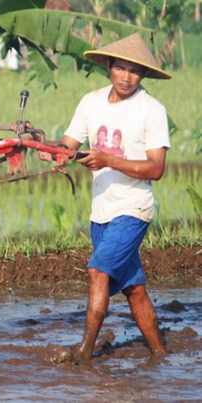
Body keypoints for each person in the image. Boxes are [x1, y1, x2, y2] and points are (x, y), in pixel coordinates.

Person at [58, 33, 171, 362]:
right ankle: (160, 354)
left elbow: (156, 168)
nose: (126, 77)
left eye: (134, 71)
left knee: (97, 271)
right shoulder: (90, 102)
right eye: (120, 68)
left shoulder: (152, 110)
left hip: (133, 209)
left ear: (144, 74)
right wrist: (55, 151)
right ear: (109, 66)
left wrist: (109, 160)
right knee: (134, 289)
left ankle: (85, 351)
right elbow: (69, 143)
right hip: (101, 212)